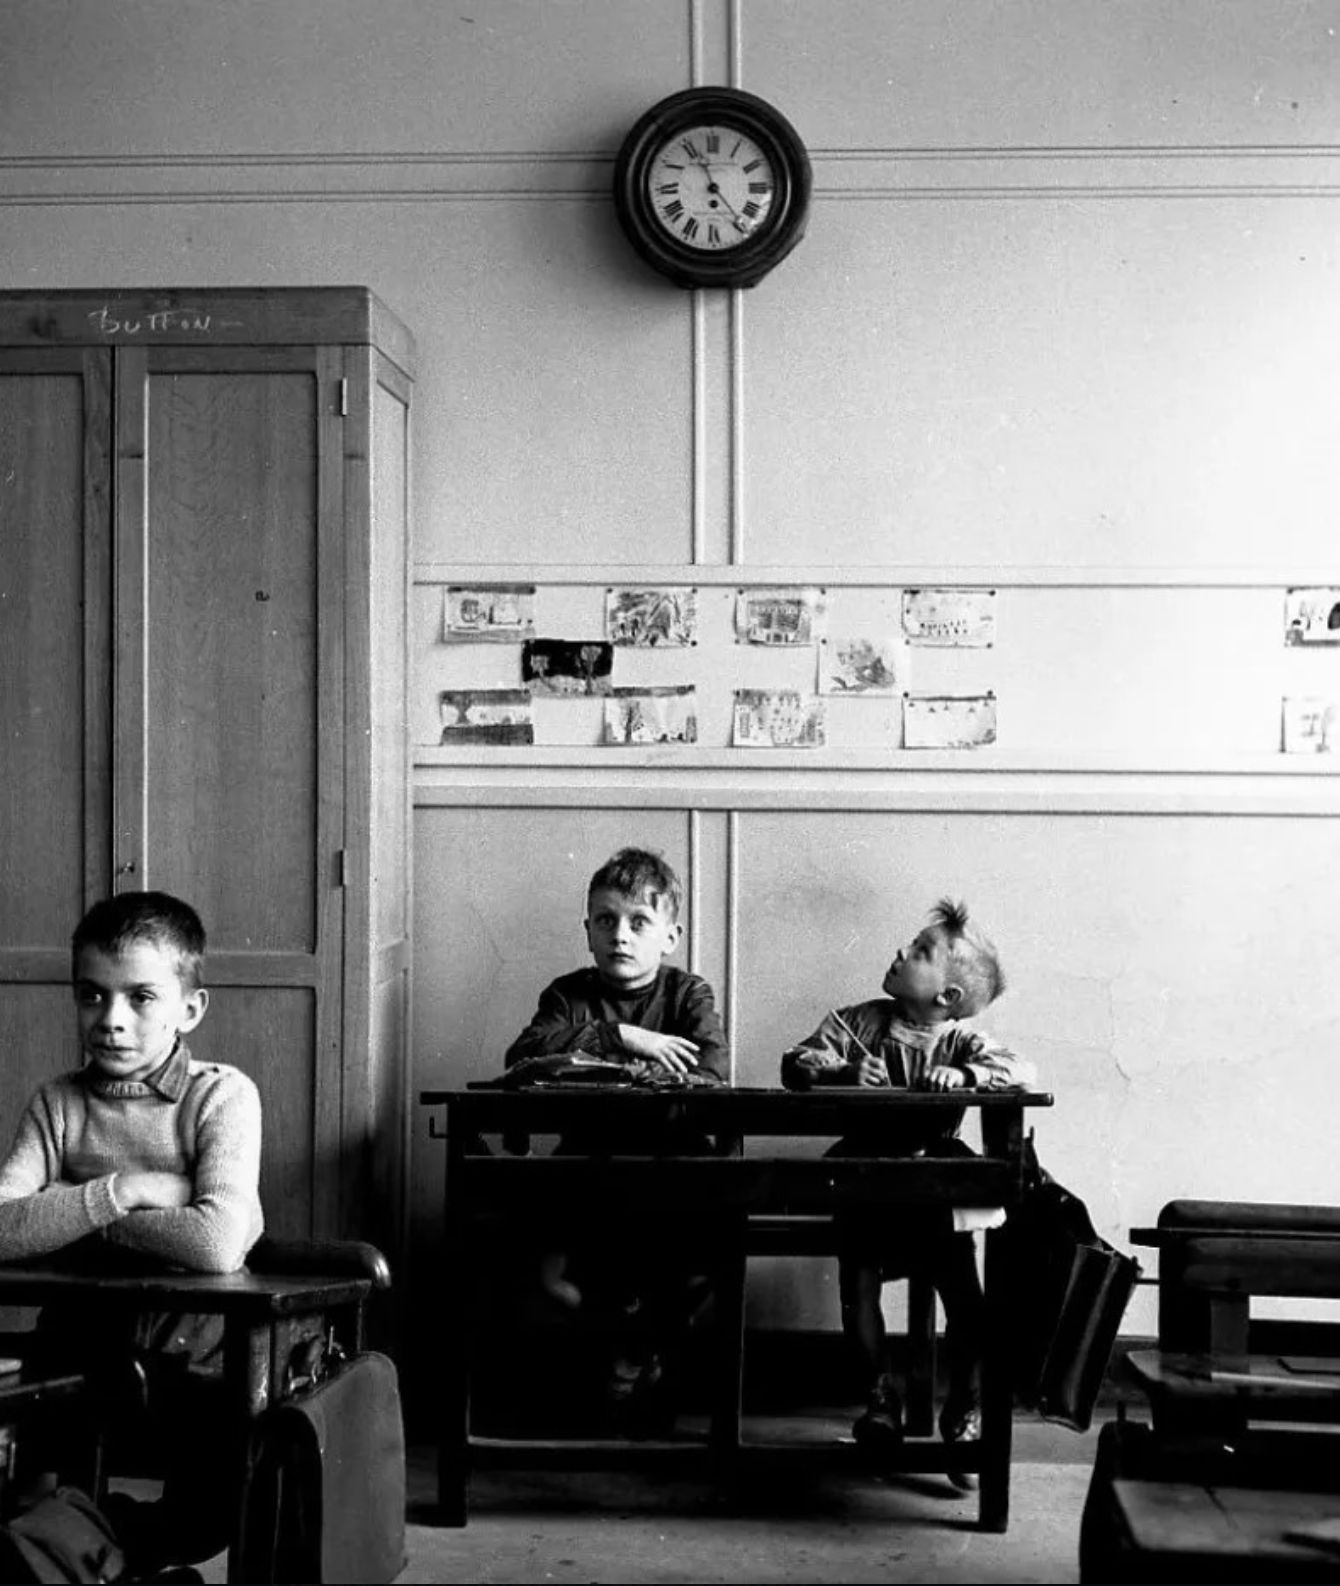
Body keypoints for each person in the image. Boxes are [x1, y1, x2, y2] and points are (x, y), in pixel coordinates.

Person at [0, 891, 263, 1567]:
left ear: (190, 1008)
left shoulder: (221, 1095)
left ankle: (108, 1556)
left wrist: (68, 1214)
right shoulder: (58, 1103)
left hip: (197, 1363)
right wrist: (129, 1191)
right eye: (91, 996)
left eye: (141, 997)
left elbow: (216, 1243)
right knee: (25, 1518)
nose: (111, 1020)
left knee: (202, 1526)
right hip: (76, 1352)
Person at [780, 897, 1034, 1491]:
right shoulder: (860, 1022)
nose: (901, 951)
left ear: (946, 997)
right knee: (858, 1281)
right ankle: (879, 1399)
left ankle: (963, 1411)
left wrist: (967, 1078)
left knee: (968, 1303)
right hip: (866, 1183)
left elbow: (1022, 1070)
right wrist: (839, 1074)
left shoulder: (961, 1042)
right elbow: (796, 1064)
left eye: (920, 952)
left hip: (930, 1192)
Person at [504, 847, 728, 1426]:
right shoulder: (567, 995)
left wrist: (611, 1071)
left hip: (671, 1170)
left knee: (694, 1268)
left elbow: (711, 1076)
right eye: (605, 920)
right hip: (587, 1171)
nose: (620, 936)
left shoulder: (687, 995)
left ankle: (635, 1360)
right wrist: (623, 1037)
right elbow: (525, 1055)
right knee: (554, 1278)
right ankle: (631, 1355)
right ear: (587, 930)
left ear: (669, 936)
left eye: (638, 922)